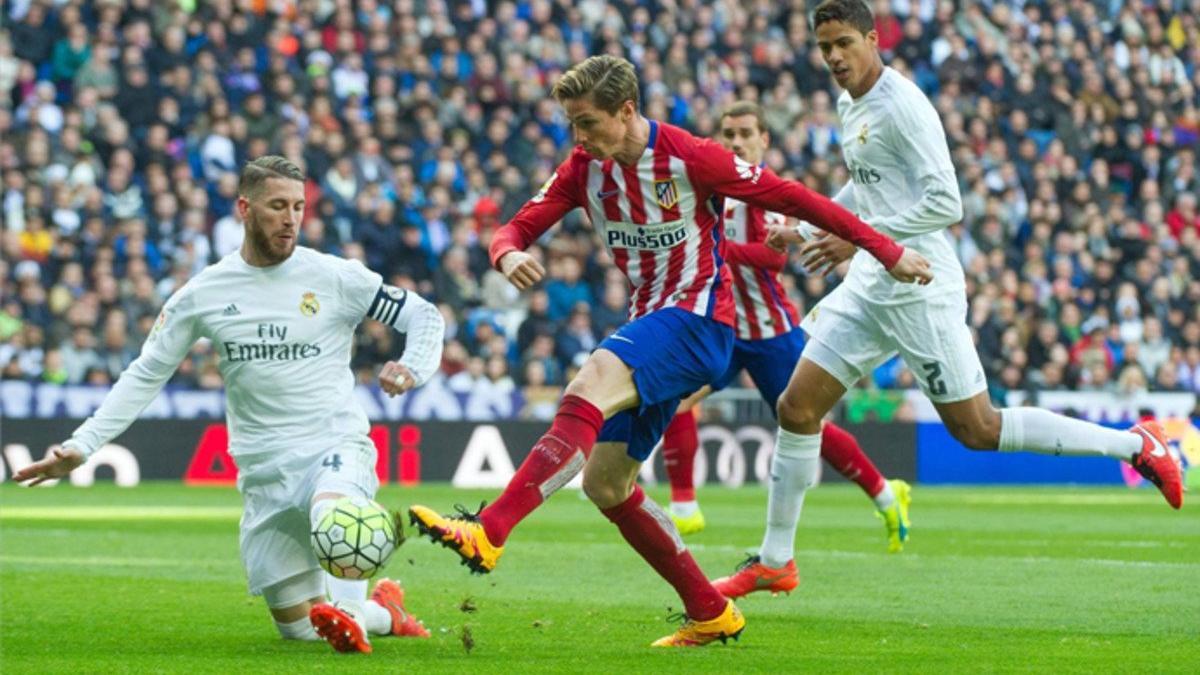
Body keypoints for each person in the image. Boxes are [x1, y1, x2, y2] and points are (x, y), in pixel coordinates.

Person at [408, 55, 933, 648]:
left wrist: (885, 250)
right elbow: (514, 228)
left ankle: (490, 530)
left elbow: (797, 200)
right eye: (571, 126)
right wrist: (506, 254)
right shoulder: (585, 169)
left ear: (626, 111)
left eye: (587, 124)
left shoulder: (692, 156)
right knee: (608, 484)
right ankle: (710, 610)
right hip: (652, 318)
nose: (578, 139)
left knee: (588, 385)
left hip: (699, 319)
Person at [758, 0, 1183, 590]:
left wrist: (859, 242)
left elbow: (945, 203)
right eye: (824, 46)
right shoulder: (847, 102)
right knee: (796, 407)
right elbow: (867, 184)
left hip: (920, 286)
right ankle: (775, 563)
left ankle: (1135, 442)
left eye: (843, 44)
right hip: (872, 282)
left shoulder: (905, 107)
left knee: (978, 429)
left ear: (872, 39)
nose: (832, 57)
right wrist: (807, 230)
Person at [13, 156, 446, 654]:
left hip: (333, 442)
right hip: (265, 470)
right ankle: (381, 612)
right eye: (277, 206)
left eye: (299, 207)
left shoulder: (335, 277)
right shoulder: (204, 294)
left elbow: (423, 315)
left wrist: (412, 366)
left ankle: (351, 613)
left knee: (337, 516)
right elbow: (147, 372)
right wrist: (81, 445)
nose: (291, 218)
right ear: (245, 208)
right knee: (298, 626)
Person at [655, 102, 911, 602]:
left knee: (806, 423)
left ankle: (885, 493)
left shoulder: (760, 190)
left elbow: (774, 256)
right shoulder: (714, 190)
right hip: (727, 330)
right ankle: (685, 504)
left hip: (772, 334)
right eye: (728, 133)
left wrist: (712, 250)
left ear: (764, 141)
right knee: (674, 396)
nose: (736, 142)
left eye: (746, 134)